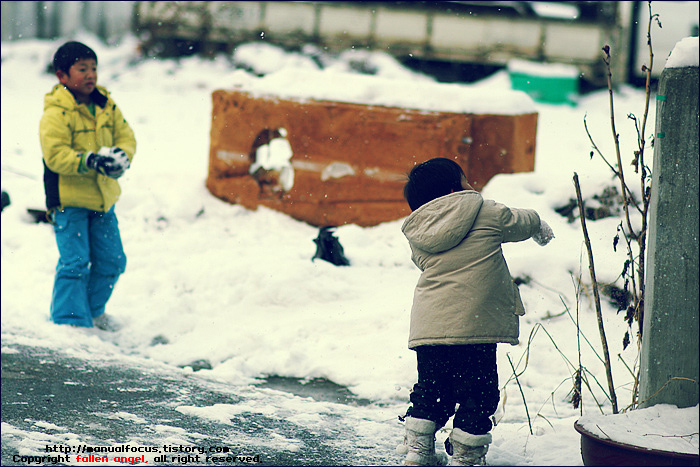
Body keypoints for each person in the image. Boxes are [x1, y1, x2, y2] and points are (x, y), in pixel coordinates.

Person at [396, 158, 553, 466]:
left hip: (430, 327)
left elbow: (425, 264)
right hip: (475, 326)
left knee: (431, 391)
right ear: (456, 189)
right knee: (478, 395)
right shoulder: (488, 212)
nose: (473, 187)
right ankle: (466, 456)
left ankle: (417, 449)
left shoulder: (418, 230)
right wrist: (538, 225)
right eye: (467, 181)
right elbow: (521, 221)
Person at [39, 41, 136, 330]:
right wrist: (89, 161)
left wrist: (122, 157)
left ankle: (91, 313)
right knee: (75, 262)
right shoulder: (57, 113)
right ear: (62, 76)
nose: (91, 74)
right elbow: (55, 155)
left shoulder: (106, 104)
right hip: (69, 202)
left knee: (112, 260)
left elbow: (126, 137)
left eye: (94, 68)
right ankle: (70, 324)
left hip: (102, 199)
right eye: (82, 69)